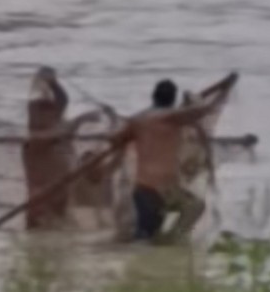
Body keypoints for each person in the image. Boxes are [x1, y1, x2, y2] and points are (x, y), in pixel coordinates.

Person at [111, 79, 221, 241]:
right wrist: (193, 98)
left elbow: (116, 140)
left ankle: (164, 245)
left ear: (153, 97)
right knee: (195, 207)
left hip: (144, 188)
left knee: (146, 236)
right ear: (172, 100)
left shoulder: (137, 120)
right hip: (164, 189)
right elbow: (205, 109)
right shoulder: (173, 116)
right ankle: (169, 242)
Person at [20, 66, 99, 230]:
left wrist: (53, 83)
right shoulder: (34, 141)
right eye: (45, 111)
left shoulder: (57, 132)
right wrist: (82, 118)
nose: (52, 113)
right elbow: (58, 133)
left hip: (60, 205)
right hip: (40, 209)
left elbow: (63, 102)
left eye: (52, 110)